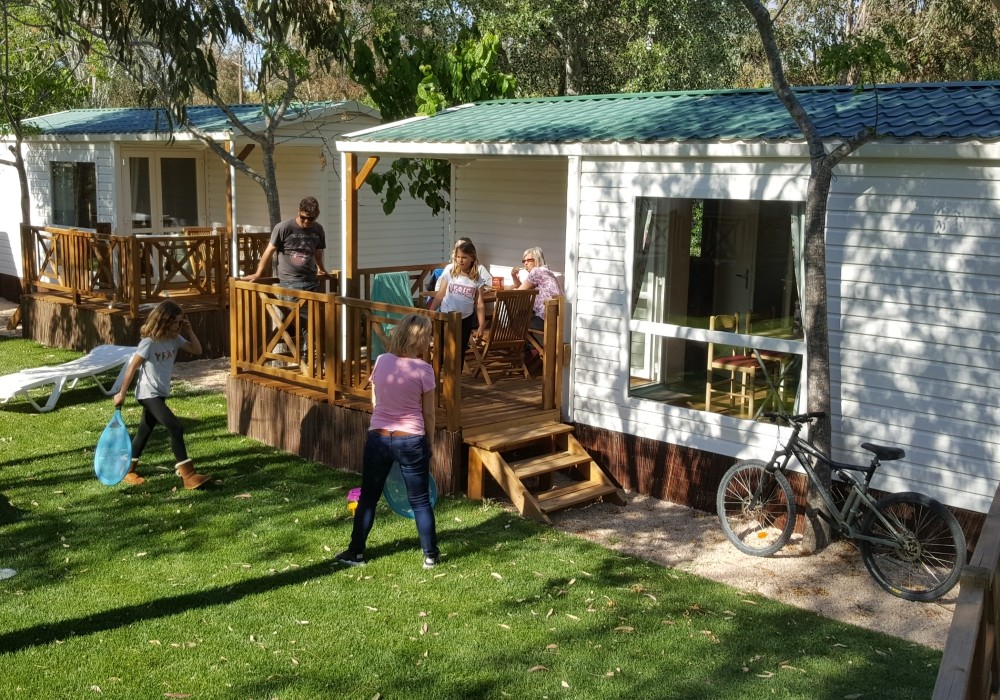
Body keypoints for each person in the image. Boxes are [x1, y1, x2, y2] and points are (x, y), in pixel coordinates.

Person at [336, 314, 440, 569]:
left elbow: (375, 400)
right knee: (420, 500)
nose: (430, 341)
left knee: (369, 497)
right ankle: (430, 556)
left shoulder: (382, 361)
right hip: (411, 440)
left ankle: (355, 553)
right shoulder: (424, 370)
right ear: (418, 339)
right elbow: (429, 413)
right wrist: (430, 442)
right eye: (428, 336)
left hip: (379, 437)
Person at [113, 300, 213, 490]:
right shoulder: (149, 343)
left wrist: (189, 331)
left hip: (160, 393)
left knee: (144, 431)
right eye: (175, 322)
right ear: (164, 321)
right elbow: (132, 367)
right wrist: (121, 394)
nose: (178, 325)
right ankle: (188, 476)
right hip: (147, 393)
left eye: (180, 322)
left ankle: (127, 470)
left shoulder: (174, 339)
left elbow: (197, 350)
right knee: (175, 427)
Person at [430, 240, 488, 362]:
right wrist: (430, 312)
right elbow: (440, 295)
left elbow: (479, 304)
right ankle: (436, 374)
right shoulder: (450, 274)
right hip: (445, 317)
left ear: (472, 258)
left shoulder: (477, 280)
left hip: (465, 320)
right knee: (440, 351)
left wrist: (482, 325)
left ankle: (456, 374)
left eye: (464, 257)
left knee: (459, 353)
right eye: (458, 257)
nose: (460, 260)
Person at [510, 246, 562, 330]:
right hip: (554, 319)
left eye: (529, 260)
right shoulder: (545, 271)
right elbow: (522, 288)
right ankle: (530, 339)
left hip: (543, 320)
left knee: (516, 320)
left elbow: (518, 292)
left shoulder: (536, 272)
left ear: (537, 260)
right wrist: (514, 277)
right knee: (522, 314)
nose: (525, 263)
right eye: (524, 261)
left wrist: (512, 290)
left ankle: (526, 340)